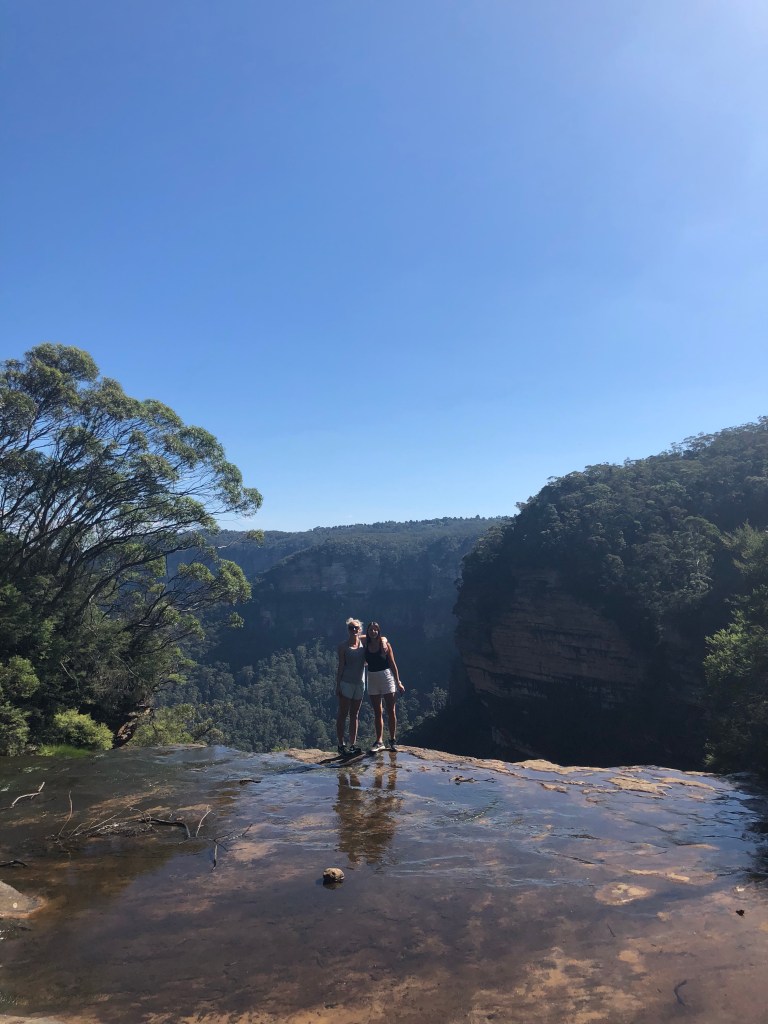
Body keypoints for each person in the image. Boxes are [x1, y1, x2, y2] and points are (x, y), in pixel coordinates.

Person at [364, 621, 405, 752]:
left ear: (379, 631)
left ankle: (392, 740)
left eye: (375, 629)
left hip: (386, 677)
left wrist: (398, 682)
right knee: (378, 712)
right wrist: (383, 638)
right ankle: (379, 741)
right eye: (371, 629)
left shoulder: (386, 645)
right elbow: (356, 636)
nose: (373, 631)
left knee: (391, 710)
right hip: (372, 678)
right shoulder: (365, 644)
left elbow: (393, 664)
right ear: (367, 631)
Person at [335, 617, 366, 756]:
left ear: (360, 630)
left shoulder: (364, 643)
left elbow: (379, 637)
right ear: (347, 630)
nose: (353, 630)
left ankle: (352, 744)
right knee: (343, 714)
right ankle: (341, 744)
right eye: (351, 627)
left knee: (355, 714)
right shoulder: (343, 646)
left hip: (360, 683)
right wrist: (338, 685)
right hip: (346, 682)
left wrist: (383, 641)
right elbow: (341, 666)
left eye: (356, 628)